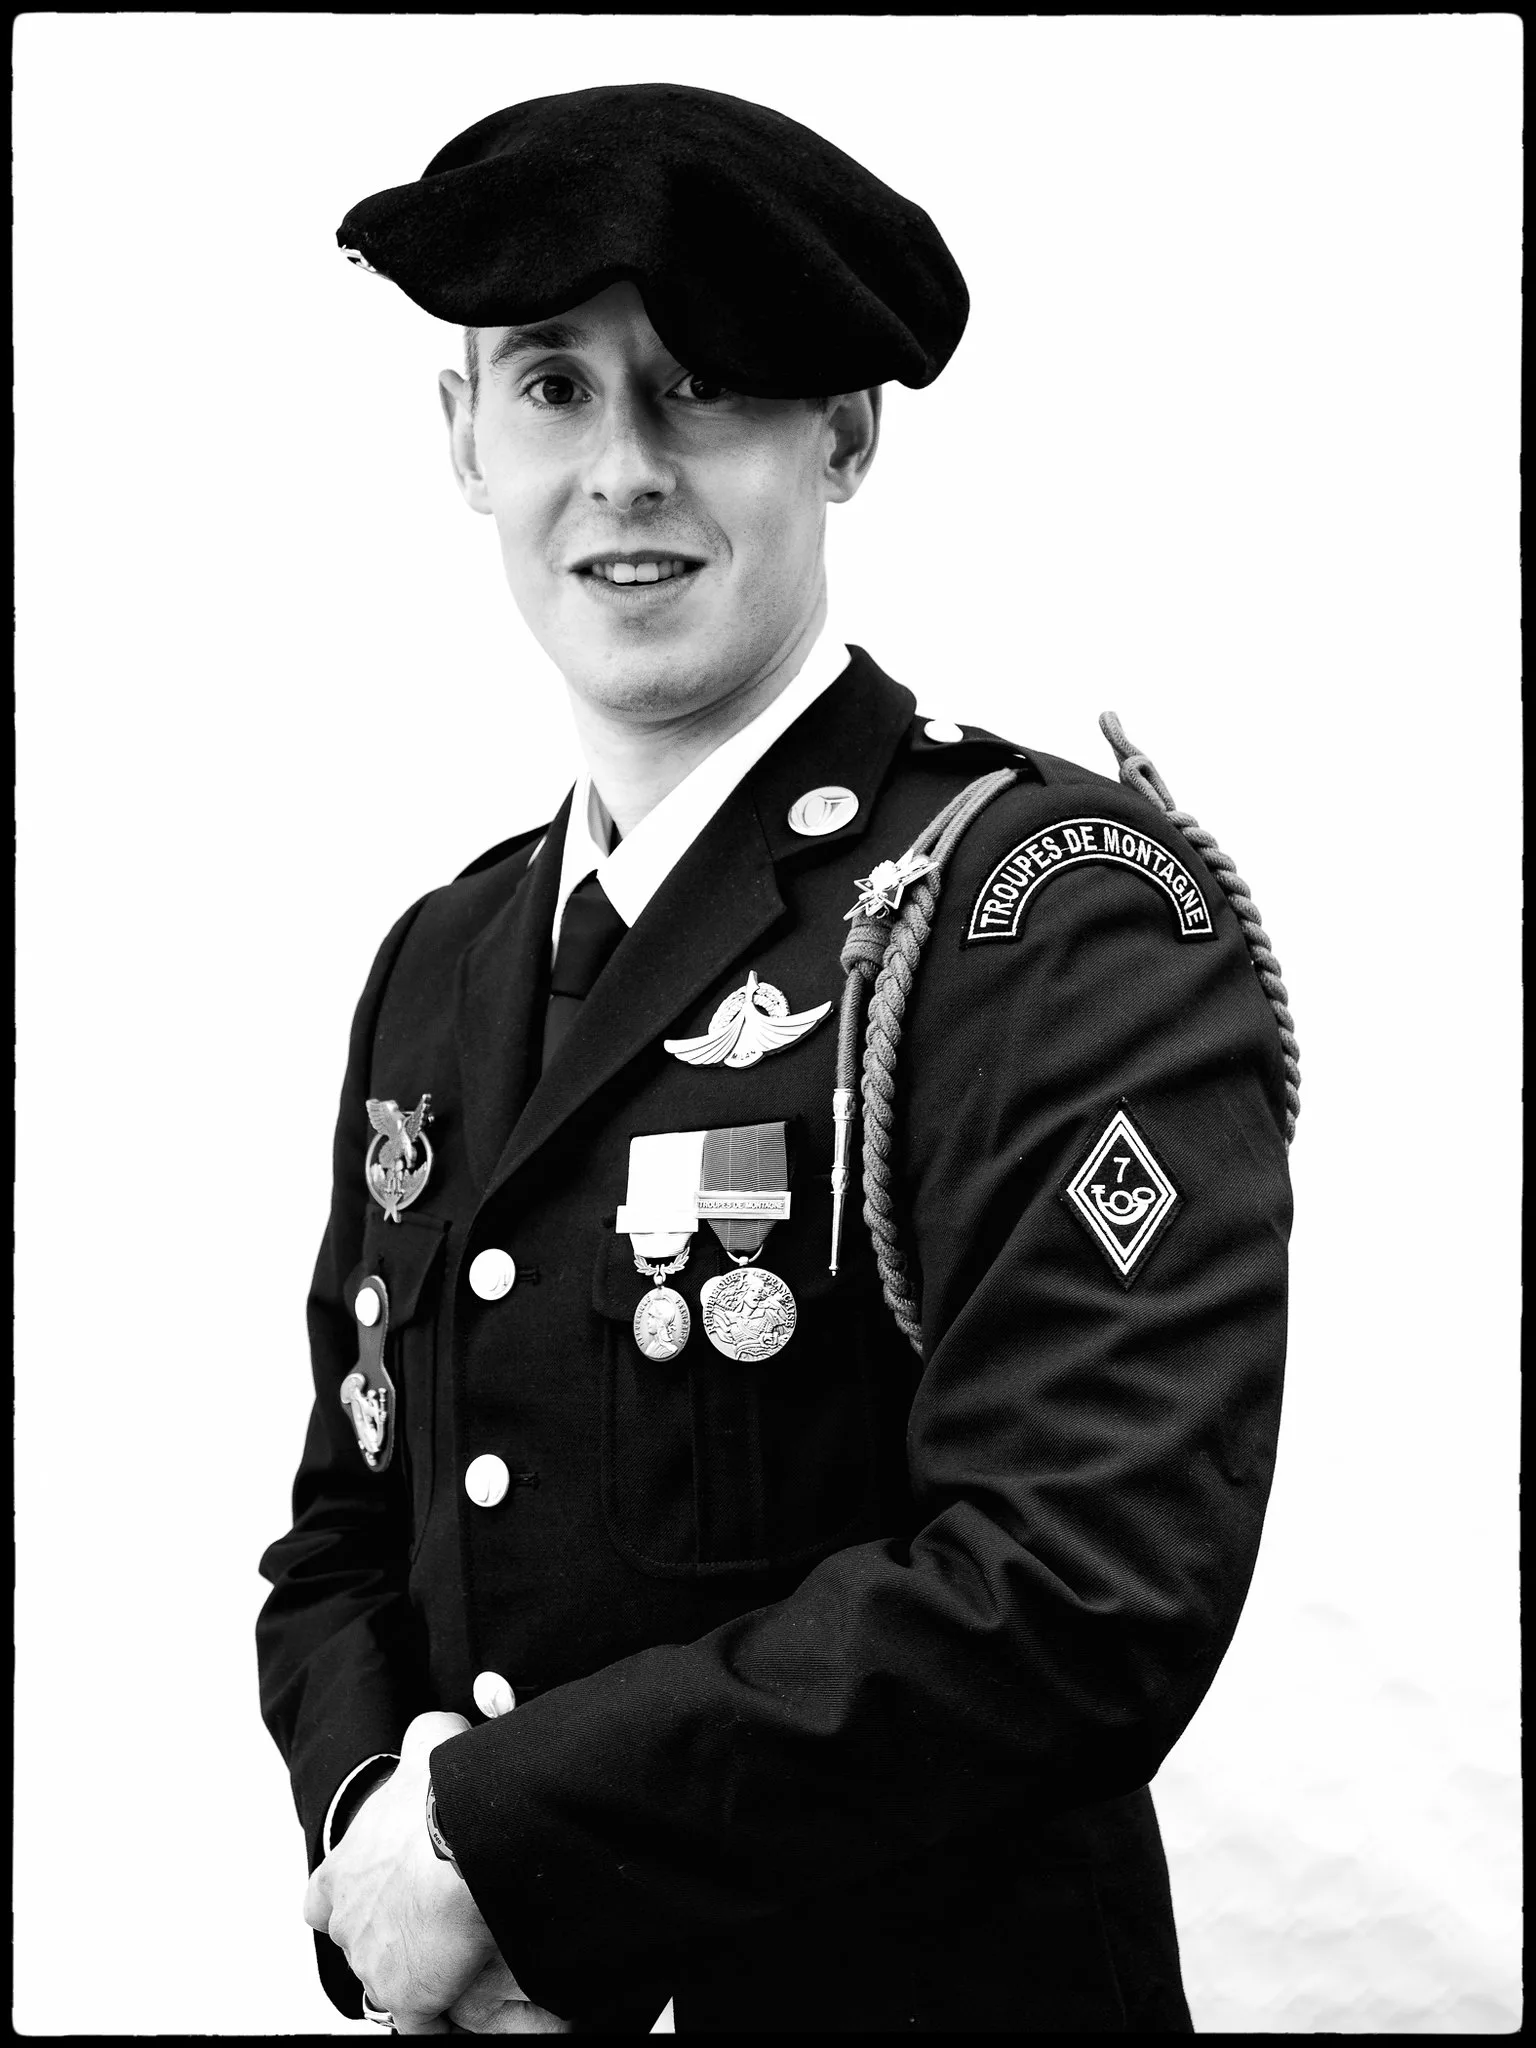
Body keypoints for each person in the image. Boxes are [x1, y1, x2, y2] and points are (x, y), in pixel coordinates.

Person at [258, 81, 1295, 2035]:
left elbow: (1085, 1584)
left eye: (703, 386)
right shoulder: (442, 962)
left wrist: (496, 1854)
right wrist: (375, 1842)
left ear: (844, 433)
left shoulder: (1048, 914)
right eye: (553, 387)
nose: (623, 470)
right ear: (463, 439)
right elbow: (345, 1534)